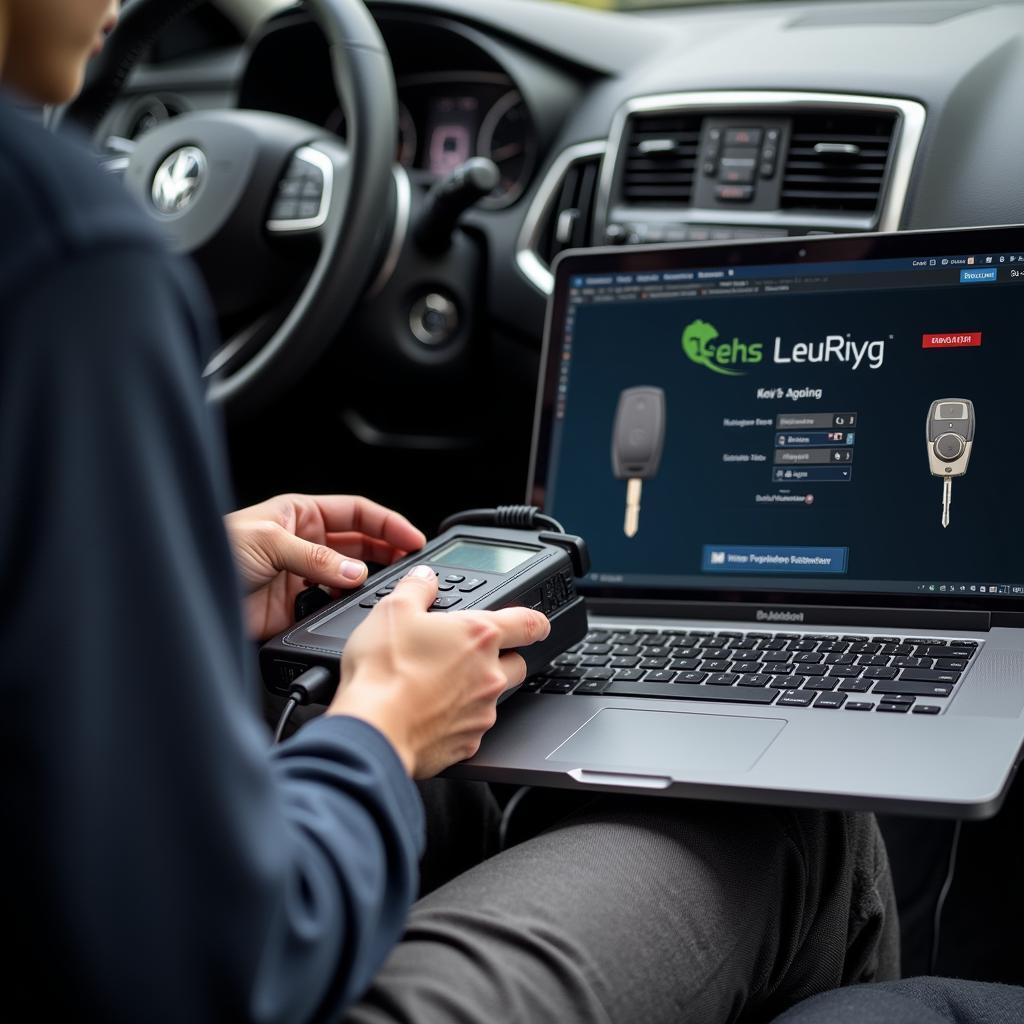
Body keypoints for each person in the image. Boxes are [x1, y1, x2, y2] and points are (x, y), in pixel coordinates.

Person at [0, 2, 900, 1021]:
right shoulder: (60, 241)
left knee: (492, 724)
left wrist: (173, 582)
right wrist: (376, 737)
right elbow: (227, 957)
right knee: (789, 826)